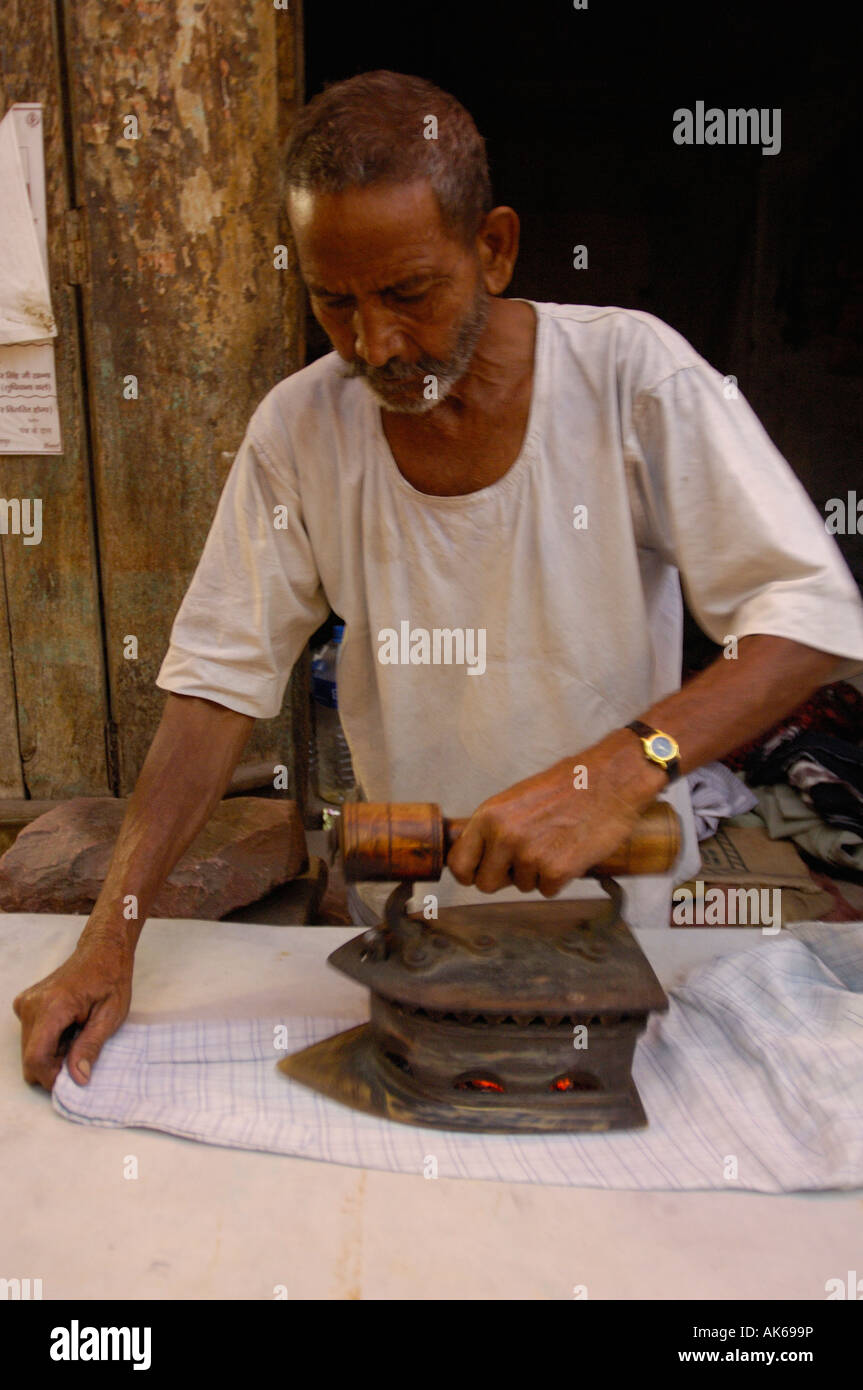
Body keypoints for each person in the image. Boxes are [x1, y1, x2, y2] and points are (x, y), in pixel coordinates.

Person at [14, 70, 863, 1091]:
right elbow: (213, 687)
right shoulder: (300, 429)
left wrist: (618, 769)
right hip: (406, 928)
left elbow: (808, 612)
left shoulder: (632, 377)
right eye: (335, 301)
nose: (376, 345)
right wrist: (114, 935)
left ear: (493, 249)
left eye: (408, 294)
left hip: (632, 934)